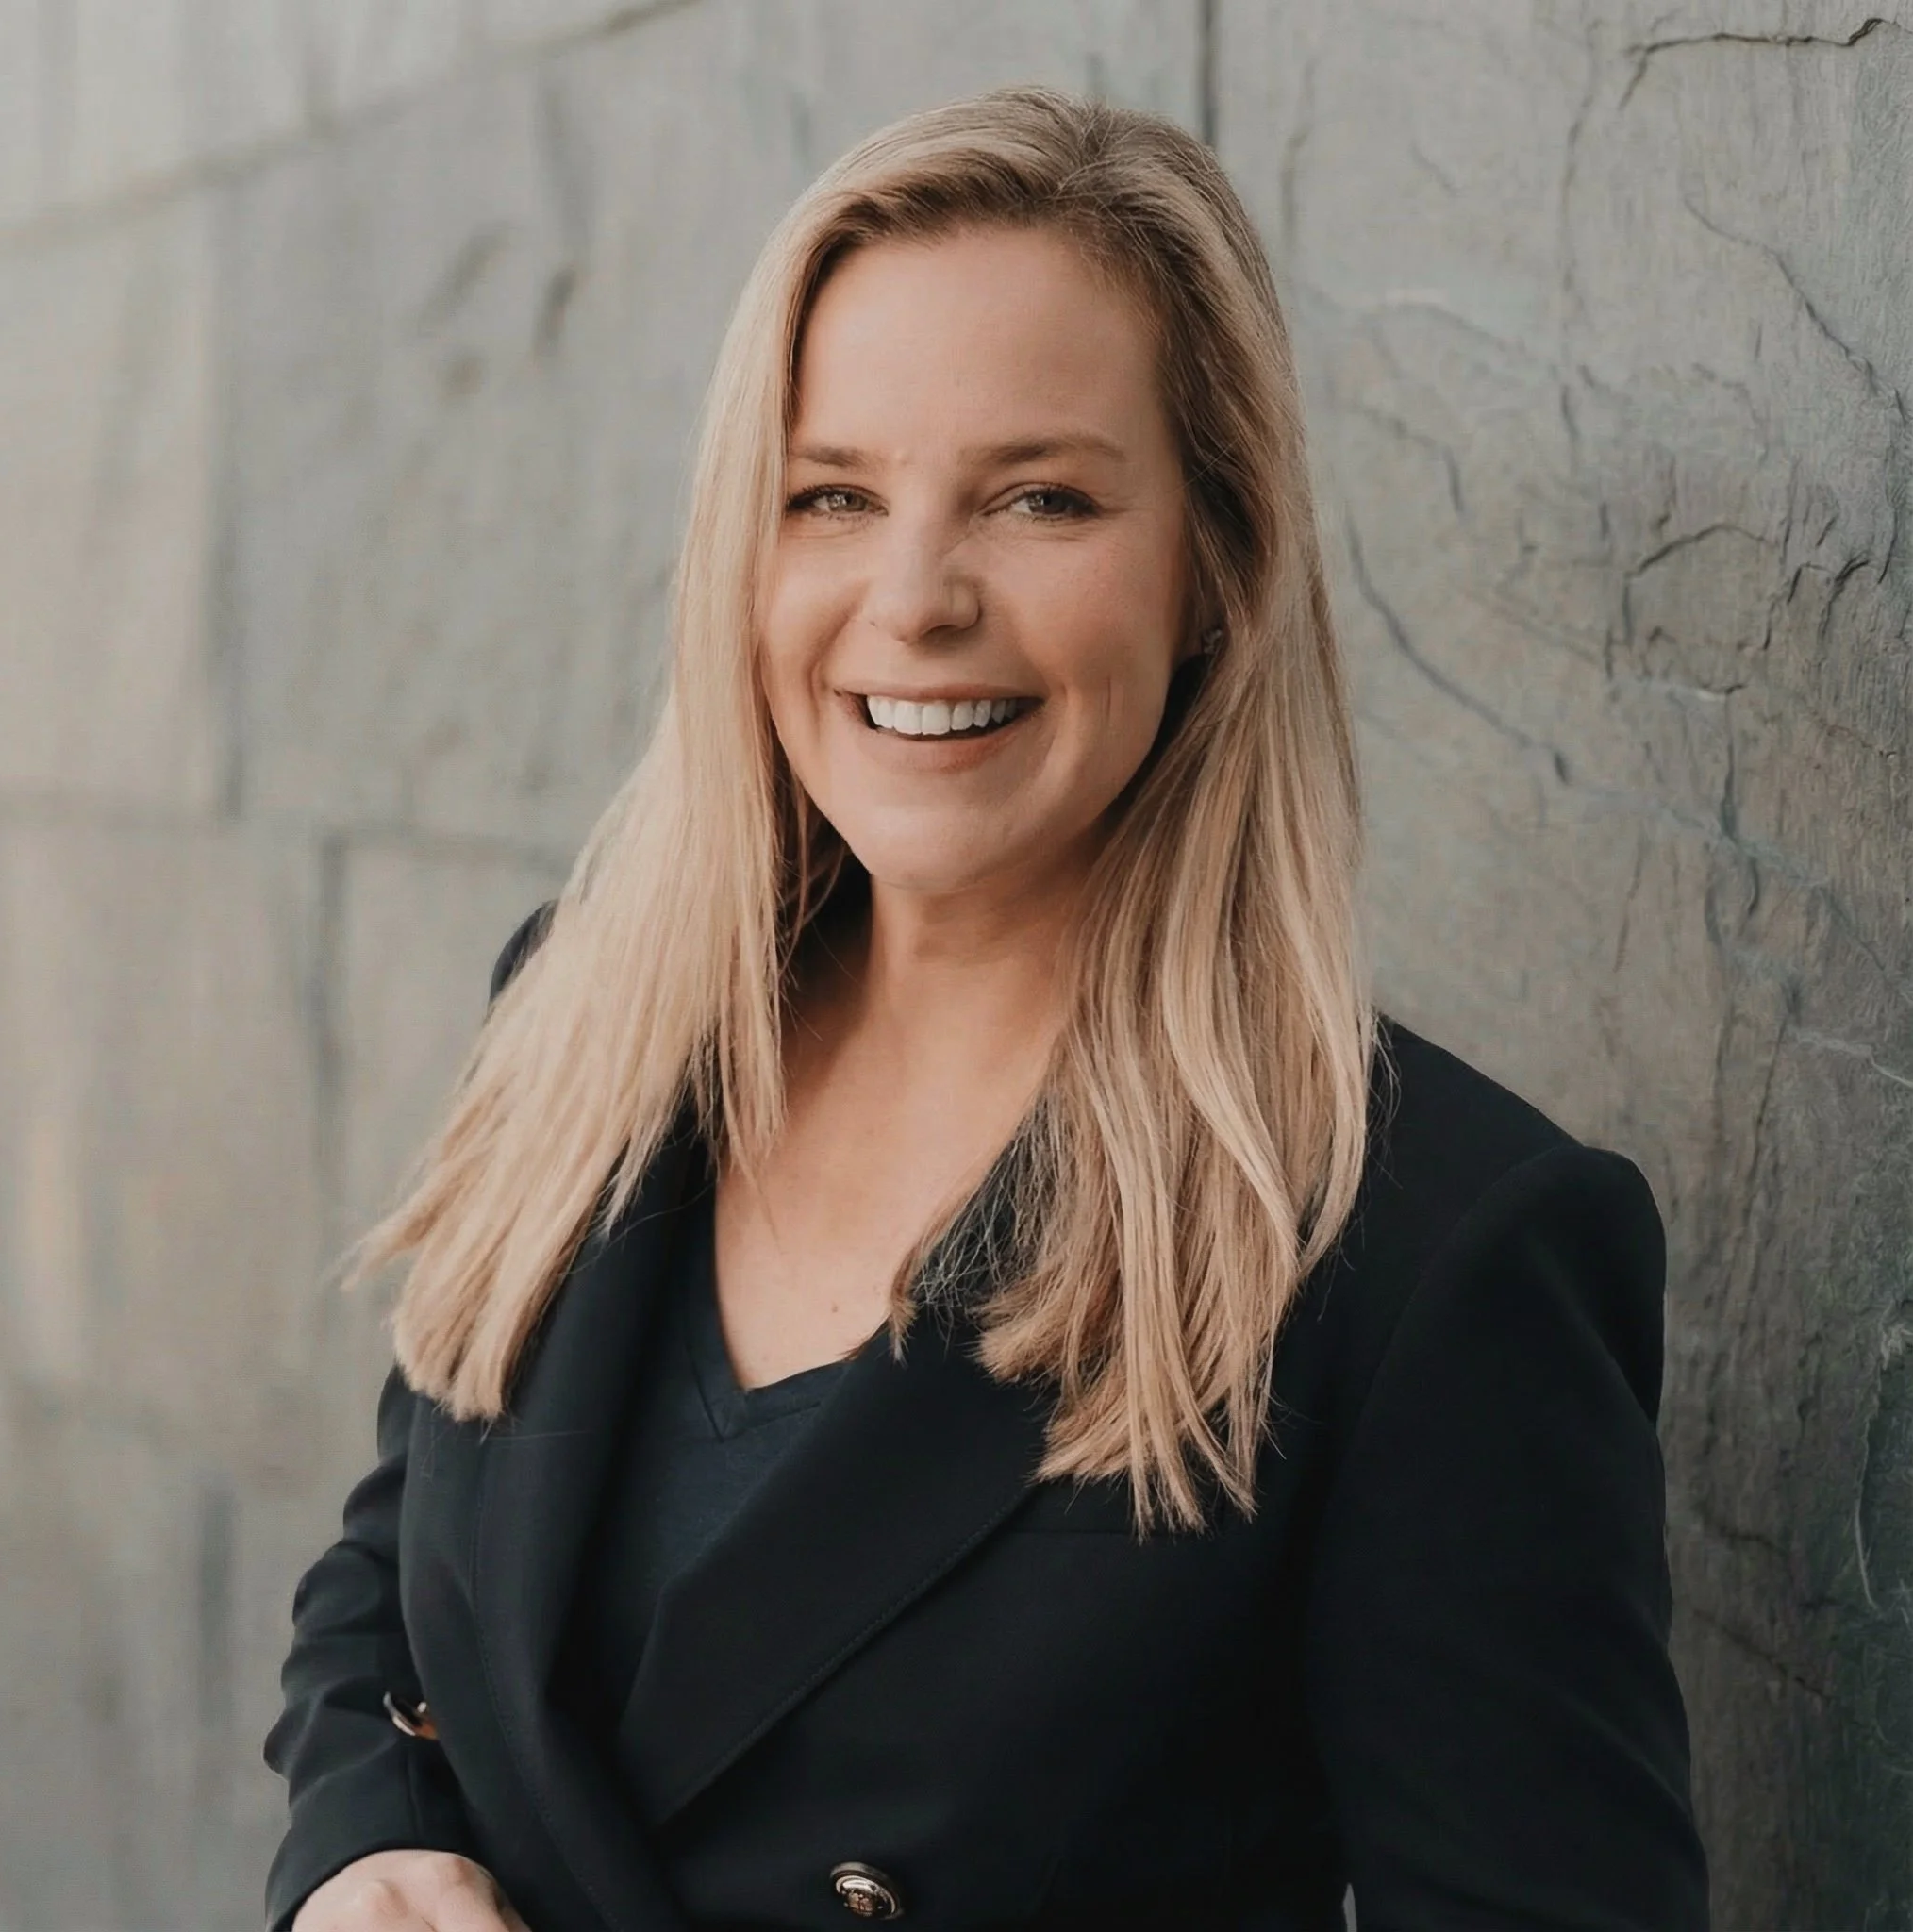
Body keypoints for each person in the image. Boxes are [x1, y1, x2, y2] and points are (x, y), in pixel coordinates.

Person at [265, 86, 1708, 1932]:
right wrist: (367, 1849)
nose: (915, 598)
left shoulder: (1417, 1253)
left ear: (1213, 564)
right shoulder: (591, 1019)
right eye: (833, 495)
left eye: (1040, 495)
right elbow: (399, 1580)